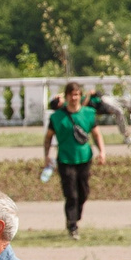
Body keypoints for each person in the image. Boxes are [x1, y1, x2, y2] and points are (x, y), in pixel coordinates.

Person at [43, 81, 104, 237]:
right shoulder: (57, 117)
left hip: (84, 157)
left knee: (83, 192)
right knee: (71, 193)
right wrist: (46, 156)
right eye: (71, 95)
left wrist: (102, 151)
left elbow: (96, 134)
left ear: (80, 95)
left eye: (77, 94)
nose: (74, 98)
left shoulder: (88, 113)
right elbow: (48, 137)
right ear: (67, 96)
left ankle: (75, 217)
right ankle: (72, 225)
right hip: (65, 158)